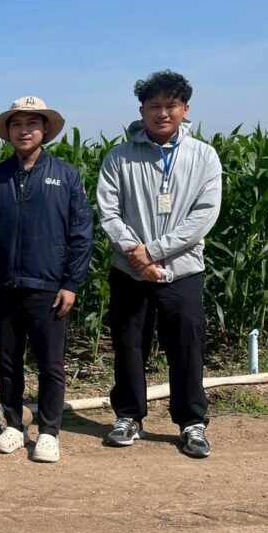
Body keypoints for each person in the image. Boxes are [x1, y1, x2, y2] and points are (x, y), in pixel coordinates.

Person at [97, 71, 222, 457]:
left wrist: (153, 252)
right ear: (142, 110)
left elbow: (204, 215)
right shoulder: (119, 157)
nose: (162, 113)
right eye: (154, 106)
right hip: (129, 271)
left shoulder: (203, 156)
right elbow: (108, 211)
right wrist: (136, 255)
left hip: (183, 270)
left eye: (171, 105)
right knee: (129, 343)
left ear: (186, 109)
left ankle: (192, 422)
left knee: (186, 346)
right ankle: (128, 416)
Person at [0, 97, 93, 463]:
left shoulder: (66, 175)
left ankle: (49, 431)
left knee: (50, 364)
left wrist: (71, 283)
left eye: (32, 123)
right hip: (6, 285)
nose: (24, 130)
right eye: (17, 124)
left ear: (45, 130)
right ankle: (14, 426)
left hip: (49, 287)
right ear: (8, 131)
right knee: (8, 361)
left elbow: (81, 233)